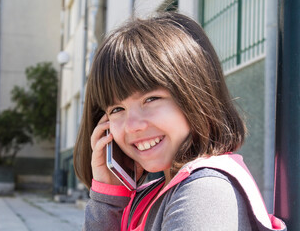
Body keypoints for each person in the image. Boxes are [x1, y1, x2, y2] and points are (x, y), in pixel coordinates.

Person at [73, 12, 286, 231]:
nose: (133, 125)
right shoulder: (152, 194)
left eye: (151, 99)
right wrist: (108, 196)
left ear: (196, 96)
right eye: (117, 109)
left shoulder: (204, 192)